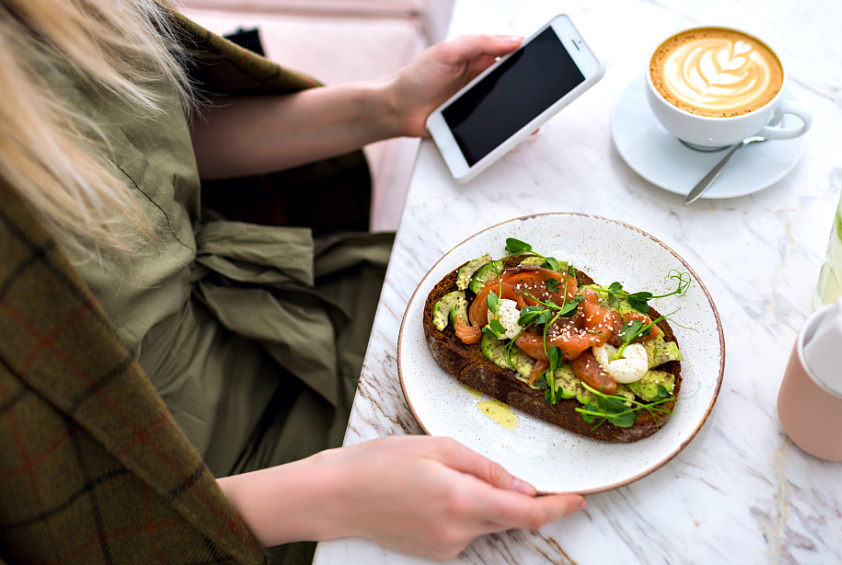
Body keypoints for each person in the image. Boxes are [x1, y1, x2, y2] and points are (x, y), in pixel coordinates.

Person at [0, 1, 585, 564]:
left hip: (276, 297)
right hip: (198, 490)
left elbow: (154, 145)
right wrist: (338, 498)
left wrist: (385, 107)